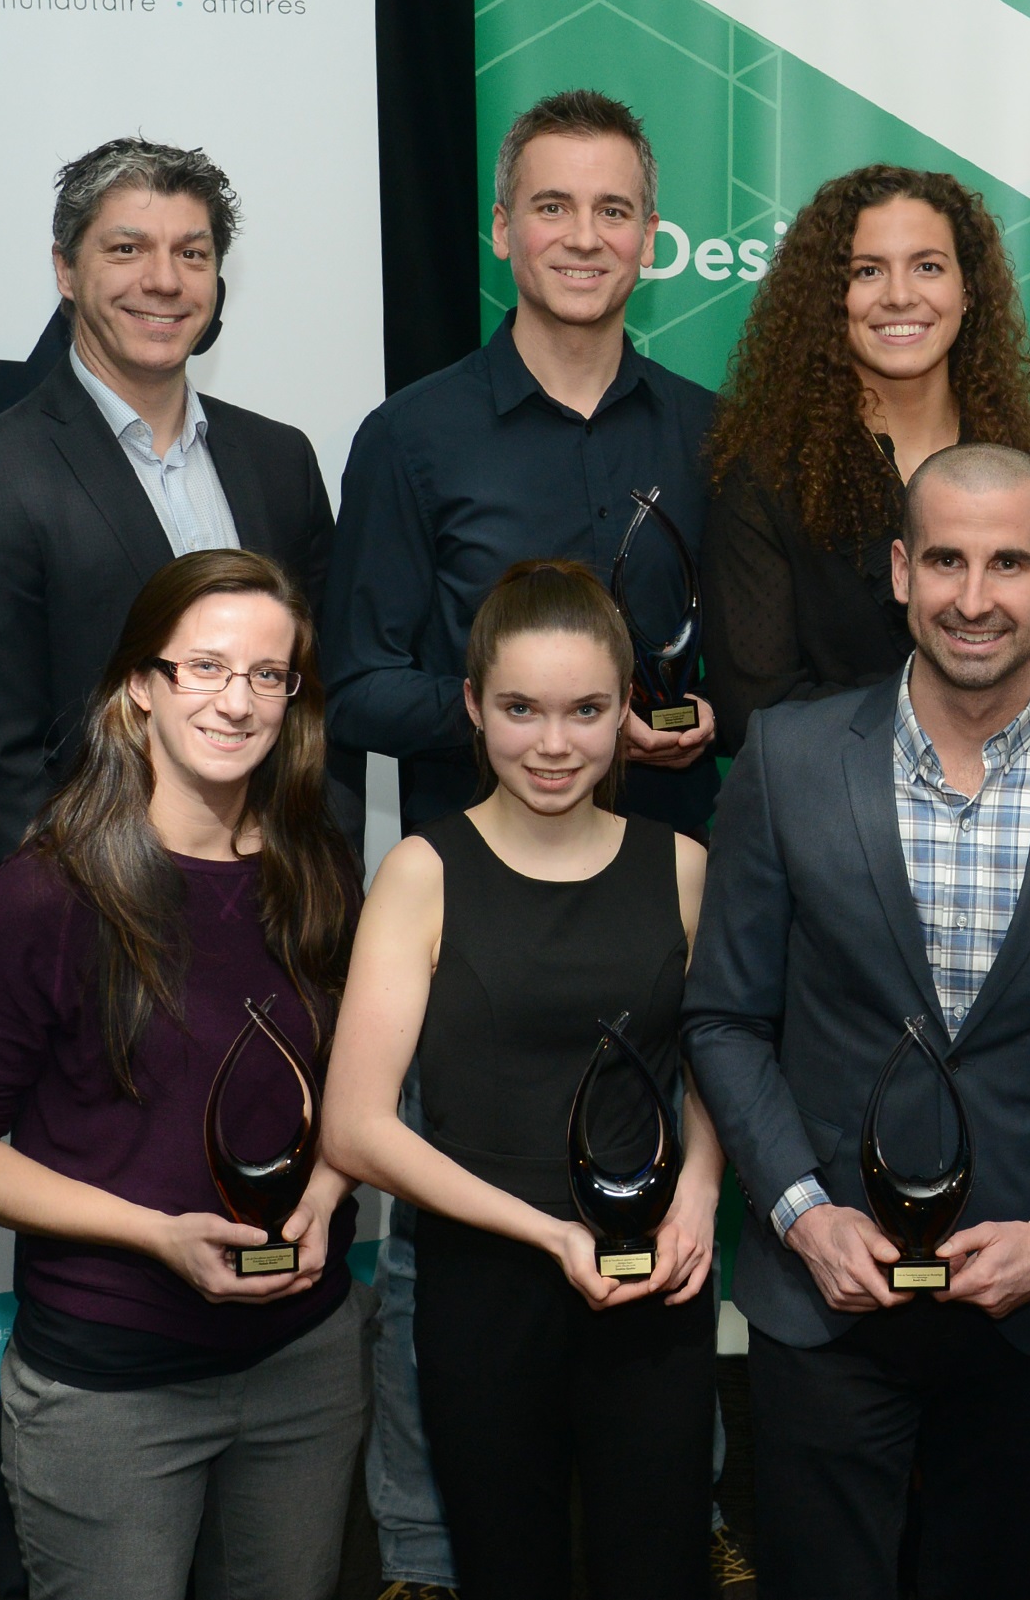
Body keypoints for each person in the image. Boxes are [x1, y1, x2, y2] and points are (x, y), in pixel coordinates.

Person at [322, 87, 723, 1598]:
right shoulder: (413, 433)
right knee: (459, 1279)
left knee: (663, 1281)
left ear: (650, 233)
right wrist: (541, 726)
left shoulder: (706, 430)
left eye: (612, 208)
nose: (582, 234)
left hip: (648, 912)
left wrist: (674, 724)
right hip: (467, 930)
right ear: (502, 227)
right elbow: (356, 685)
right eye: (550, 205)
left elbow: (729, 666)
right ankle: (439, 1559)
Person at [682, 443, 1030, 1600]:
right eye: (949, 561)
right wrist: (805, 1217)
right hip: (826, 1295)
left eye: (1010, 561)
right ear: (902, 571)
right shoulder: (793, 758)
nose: (977, 597)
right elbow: (723, 1018)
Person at [0, 549, 366, 1600]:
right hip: (114, 1384)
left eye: (266, 675)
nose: (236, 701)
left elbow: (355, 1090)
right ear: (140, 687)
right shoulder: (48, 892)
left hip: (307, 1359)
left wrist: (332, 1193)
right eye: (202, 667)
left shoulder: (318, 868)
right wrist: (157, 1234)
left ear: (295, 699)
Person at [323, 560, 721, 1600]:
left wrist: (704, 1189)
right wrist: (547, 1234)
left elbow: (716, 1057)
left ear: (627, 706)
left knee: (661, 1568)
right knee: (508, 1570)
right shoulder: (422, 871)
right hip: (484, 1289)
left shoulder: (681, 864)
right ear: (471, 705)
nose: (553, 744)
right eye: (520, 709)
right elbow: (357, 1126)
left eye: (587, 709)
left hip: (652, 1283)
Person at [0, 139, 336, 883]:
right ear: (66, 270)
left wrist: (315, 865)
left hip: (277, 907)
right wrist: (137, 912)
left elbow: (323, 696)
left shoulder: (280, 462)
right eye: (128, 248)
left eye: (192, 254)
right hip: (89, 931)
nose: (164, 281)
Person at [700, 161, 1030, 748]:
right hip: (830, 819)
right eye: (867, 271)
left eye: (928, 267)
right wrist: (960, 699)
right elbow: (753, 711)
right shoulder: (764, 476)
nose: (901, 296)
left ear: (968, 291)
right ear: (830, 299)